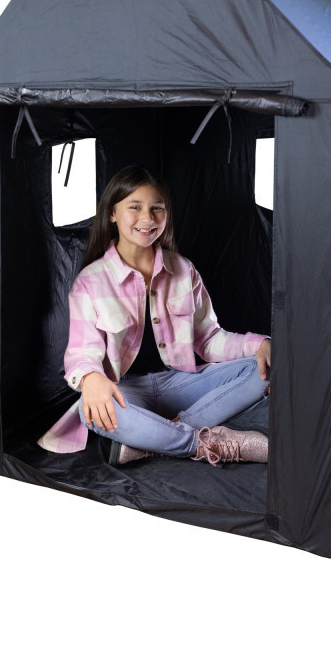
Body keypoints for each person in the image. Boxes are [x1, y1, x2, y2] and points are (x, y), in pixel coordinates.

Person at [64, 165, 272, 467]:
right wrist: (91, 378)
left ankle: (154, 440)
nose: (147, 219)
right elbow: (82, 352)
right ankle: (203, 443)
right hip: (125, 390)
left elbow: (209, 339)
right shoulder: (90, 281)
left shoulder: (184, 270)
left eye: (157, 208)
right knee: (92, 410)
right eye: (135, 207)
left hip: (180, 383)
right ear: (112, 213)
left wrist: (260, 344)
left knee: (262, 368)